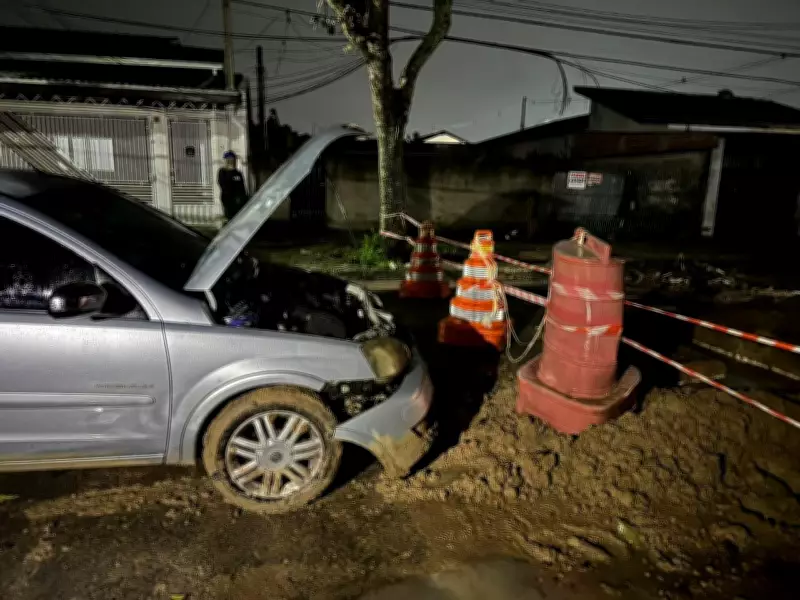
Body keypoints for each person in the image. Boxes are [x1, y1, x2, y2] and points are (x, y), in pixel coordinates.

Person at [217, 150, 248, 221]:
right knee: (230, 219)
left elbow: (242, 187)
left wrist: (243, 198)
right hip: (229, 201)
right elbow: (224, 186)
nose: (232, 162)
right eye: (229, 160)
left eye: (233, 160)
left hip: (239, 201)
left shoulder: (238, 173)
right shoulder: (222, 172)